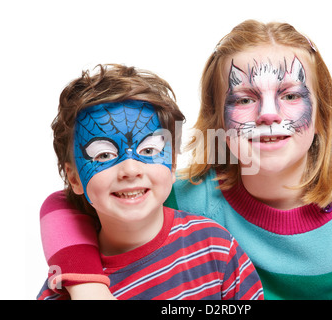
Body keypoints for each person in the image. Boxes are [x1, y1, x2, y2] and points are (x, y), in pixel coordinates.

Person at [38, 20, 332, 299]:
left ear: (321, 116)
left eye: (290, 95)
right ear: (216, 119)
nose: (269, 114)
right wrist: (87, 284)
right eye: (244, 99)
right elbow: (67, 204)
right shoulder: (189, 199)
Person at [37, 64, 264, 300]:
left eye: (148, 150)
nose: (131, 169)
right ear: (74, 178)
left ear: (173, 164)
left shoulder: (215, 247)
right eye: (103, 155)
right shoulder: (64, 289)